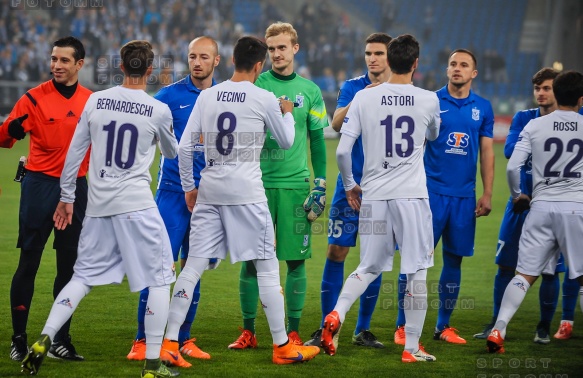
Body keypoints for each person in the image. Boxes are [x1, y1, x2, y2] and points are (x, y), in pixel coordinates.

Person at [21, 40, 179, 378]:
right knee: (162, 278)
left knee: (81, 278)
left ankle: (44, 338)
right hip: (137, 206)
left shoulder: (96, 100)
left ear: (121, 67)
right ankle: (153, 364)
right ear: (149, 71)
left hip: (97, 205)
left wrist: (67, 197)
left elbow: (74, 154)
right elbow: (171, 152)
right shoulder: (157, 109)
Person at [159, 35, 320, 366]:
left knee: (191, 268)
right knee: (266, 267)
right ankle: (282, 346)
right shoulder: (263, 97)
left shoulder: (208, 96)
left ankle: (169, 343)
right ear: (259, 65)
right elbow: (288, 140)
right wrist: (287, 112)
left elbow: (185, 147)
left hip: (211, 188)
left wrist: (190, 186)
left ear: (230, 61)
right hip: (247, 191)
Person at [321, 33, 439, 363]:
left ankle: (337, 315)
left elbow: (343, 149)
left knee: (368, 266)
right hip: (412, 198)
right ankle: (412, 348)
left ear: (390, 59)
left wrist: (349, 185)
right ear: (415, 63)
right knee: (417, 271)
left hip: (372, 196)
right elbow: (434, 133)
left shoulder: (363, 98)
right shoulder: (429, 99)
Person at [230, 22, 328, 349]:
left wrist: (321, 182)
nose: (276, 54)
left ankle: (295, 329)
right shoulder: (256, 85)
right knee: (250, 260)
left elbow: (317, 140)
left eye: (282, 47)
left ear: (295, 48)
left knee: (296, 260)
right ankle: (248, 331)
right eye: (271, 48)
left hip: (296, 187)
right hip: (255, 185)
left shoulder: (310, 91)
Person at [127, 35, 220, 364]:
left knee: (192, 269)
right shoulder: (168, 97)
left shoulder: (224, 97)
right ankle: (141, 339)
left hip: (208, 198)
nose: (197, 62)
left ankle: (183, 337)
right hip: (172, 195)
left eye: (204, 57)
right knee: (159, 269)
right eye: (192, 56)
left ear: (216, 61)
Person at [0, 36, 91, 362]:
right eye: (54, 59)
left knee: (70, 266)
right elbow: (3, 137)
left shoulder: (92, 101)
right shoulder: (33, 98)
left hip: (78, 189)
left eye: (64, 60)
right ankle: (19, 338)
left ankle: (60, 339)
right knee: (29, 261)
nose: (56, 65)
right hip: (40, 187)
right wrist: (11, 130)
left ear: (80, 64)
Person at [396, 48, 495, 344]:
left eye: (464, 65)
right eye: (453, 63)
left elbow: (488, 151)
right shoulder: (430, 100)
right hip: (429, 195)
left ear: (473, 73)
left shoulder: (484, 108)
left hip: (464, 198)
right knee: (414, 262)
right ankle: (402, 327)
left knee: (454, 261)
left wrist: (487, 192)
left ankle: (443, 326)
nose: (457, 68)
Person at [473, 67, 580, 343]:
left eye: (547, 88)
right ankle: (554, 323)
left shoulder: (534, 125)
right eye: (538, 88)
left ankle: (500, 328)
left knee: (524, 275)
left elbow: (512, 166)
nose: (541, 93)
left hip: (539, 205)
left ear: (557, 92)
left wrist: (518, 193)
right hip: (575, 208)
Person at [303, 32, 392, 349]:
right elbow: (336, 123)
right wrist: (361, 97)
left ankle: (363, 330)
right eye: (368, 53)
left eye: (379, 53)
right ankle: (328, 323)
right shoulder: (353, 86)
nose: (372, 58)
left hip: (382, 188)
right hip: (349, 185)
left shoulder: (399, 92)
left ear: (390, 57)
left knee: (375, 259)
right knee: (336, 251)